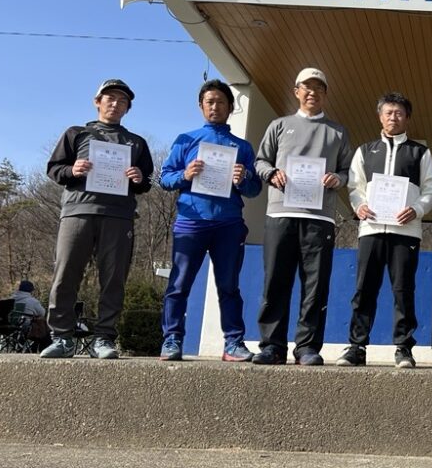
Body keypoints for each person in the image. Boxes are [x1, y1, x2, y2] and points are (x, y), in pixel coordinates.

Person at [41, 78, 154, 359]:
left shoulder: (136, 143)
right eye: (110, 98)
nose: (115, 104)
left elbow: (146, 181)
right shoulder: (76, 133)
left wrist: (138, 178)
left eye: (122, 101)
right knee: (65, 275)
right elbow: (54, 169)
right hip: (77, 212)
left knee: (114, 279)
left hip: (119, 216)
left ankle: (104, 338)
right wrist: (72, 170)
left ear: (127, 108)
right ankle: (62, 337)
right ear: (97, 102)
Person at [253, 67, 353, 366]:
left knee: (315, 285)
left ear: (325, 94)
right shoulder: (279, 125)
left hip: (319, 218)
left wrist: (338, 178)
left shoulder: (337, 132)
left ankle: (307, 347)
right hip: (280, 212)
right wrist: (272, 173)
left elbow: (348, 171)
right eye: (306, 87)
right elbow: (260, 161)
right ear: (296, 91)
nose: (312, 92)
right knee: (275, 282)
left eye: (318, 88)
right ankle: (272, 346)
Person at [157, 79, 262, 362]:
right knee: (179, 284)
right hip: (191, 221)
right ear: (201, 106)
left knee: (229, 286)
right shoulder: (186, 139)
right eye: (210, 102)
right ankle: (171, 340)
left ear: (230, 107)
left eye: (221, 102)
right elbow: (164, 179)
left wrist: (244, 179)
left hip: (229, 223)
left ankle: (233, 343)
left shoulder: (242, 147)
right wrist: (185, 175)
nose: (215, 107)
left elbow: (254, 190)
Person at [337, 92, 432, 369]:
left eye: (399, 113)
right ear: (380, 116)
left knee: (403, 290)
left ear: (407, 118)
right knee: (364, 289)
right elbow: (355, 187)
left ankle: (403, 348)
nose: (393, 117)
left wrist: (416, 209)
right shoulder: (365, 151)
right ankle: (357, 346)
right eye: (388, 112)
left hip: (406, 232)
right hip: (371, 229)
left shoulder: (420, 152)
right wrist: (359, 206)